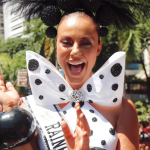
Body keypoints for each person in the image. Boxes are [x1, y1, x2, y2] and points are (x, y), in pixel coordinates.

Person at [0, 0, 146, 149]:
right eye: (66, 42)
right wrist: (11, 110)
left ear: (98, 48)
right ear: (56, 45)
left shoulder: (122, 109)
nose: (75, 51)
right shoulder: (29, 107)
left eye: (86, 43)